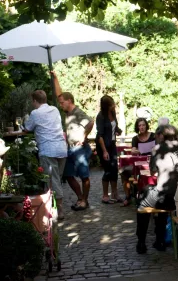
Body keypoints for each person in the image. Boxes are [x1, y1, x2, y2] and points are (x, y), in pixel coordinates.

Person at [136, 125, 178, 254]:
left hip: (167, 198)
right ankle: (159, 239)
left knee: (144, 203)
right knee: (159, 194)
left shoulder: (158, 148)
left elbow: (153, 171)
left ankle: (142, 242)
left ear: (161, 136)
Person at [53, 73, 94, 211]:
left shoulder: (77, 112)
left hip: (79, 149)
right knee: (68, 175)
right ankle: (81, 198)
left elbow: (91, 122)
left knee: (84, 176)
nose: (60, 105)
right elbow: (60, 94)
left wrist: (84, 136)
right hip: (69, 149)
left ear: (69, 101)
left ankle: (85, 200)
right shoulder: (68, 113)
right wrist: (55, 78)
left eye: (62, 102)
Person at [24, 90, 67, 220]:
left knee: (52, 181)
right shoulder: (54, 109)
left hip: (48, 149)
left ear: (35, 101)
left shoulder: (35, 113)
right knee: (56, 179)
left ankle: (58, 210)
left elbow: (27, 128)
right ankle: (54, 206)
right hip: (61, 149)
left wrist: (26, 119)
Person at [96, 95, 123, 204]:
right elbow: (100, 135)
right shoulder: (101, 117)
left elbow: (114, 127)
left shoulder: (113, 113)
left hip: (112, 144)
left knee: (114, 169)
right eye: (111, 104)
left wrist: (118, 130)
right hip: (103, 146)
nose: (114, 106)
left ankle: (115, 194)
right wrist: (104, 151)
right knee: (107, 170)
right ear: (106, 106)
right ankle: (105, 195)